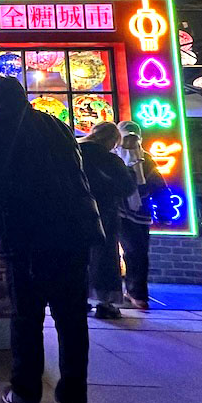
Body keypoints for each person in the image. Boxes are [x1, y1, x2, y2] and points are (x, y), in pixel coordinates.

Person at [0, 76, 104, 403]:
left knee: (26, 316)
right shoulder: (56, 125)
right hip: (75, 232)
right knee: (72, 319)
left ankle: (26, 394)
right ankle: (74, 399)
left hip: (30, 234)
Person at [79, 122, 136, 320]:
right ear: (112, 140)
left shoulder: (75, 152)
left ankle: (79, 299)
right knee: (105, 258)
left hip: (77, 212)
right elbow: (127, 187)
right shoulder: (111, 160)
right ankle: (105, 303)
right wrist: (132, 173)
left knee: (79, 257)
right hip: (105, 213)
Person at [116, 120, 166, 310]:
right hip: (116, 211)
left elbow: (159, 186)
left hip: (138, 214)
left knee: (137, 253)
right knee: (112, 253)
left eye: (133, 139)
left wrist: (164, 211)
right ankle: (109, 293)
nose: (129, 143)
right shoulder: (112, 157)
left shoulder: (146, 161)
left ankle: (136, 292)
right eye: (126, 139)